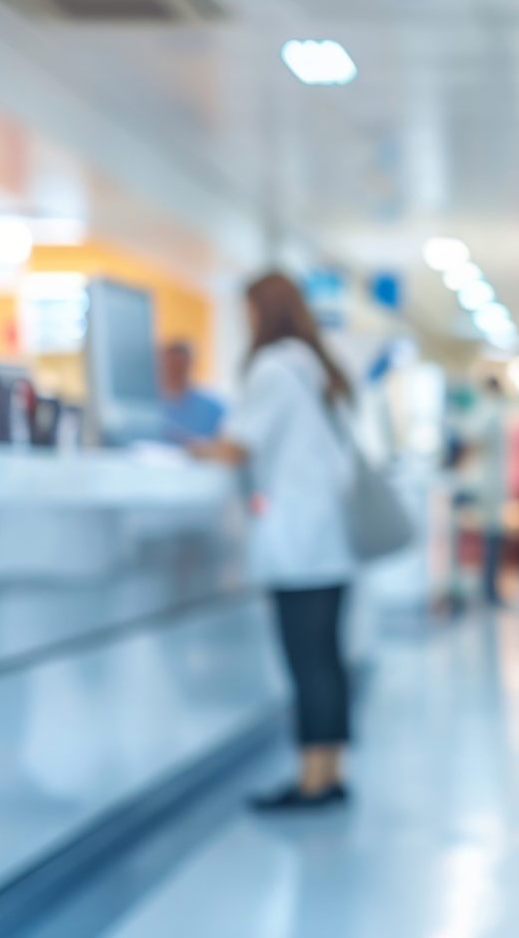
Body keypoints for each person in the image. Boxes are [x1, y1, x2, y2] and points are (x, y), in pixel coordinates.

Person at [193, 272, 359, 813]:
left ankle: (311, 780)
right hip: (330, 536)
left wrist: (195, 449)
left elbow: (239, 446)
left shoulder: (272, 368)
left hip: (297, 537)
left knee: (305, 660)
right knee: (328, 659)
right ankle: (330, 770)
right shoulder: (317, 368)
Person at [462, 378, 513, 608]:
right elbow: (474, 440)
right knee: (489, 534)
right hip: (487, 481)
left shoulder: (488, 410)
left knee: (490, 534)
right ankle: (487, 589)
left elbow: (472, 440)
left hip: (487, 480)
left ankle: (488, 588)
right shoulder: (491, 411)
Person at [158, 340, 225, 443]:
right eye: (170, 365)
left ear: (189, 364)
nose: (174, 370)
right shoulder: (150, 405)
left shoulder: (213, 408)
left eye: (179, 365)